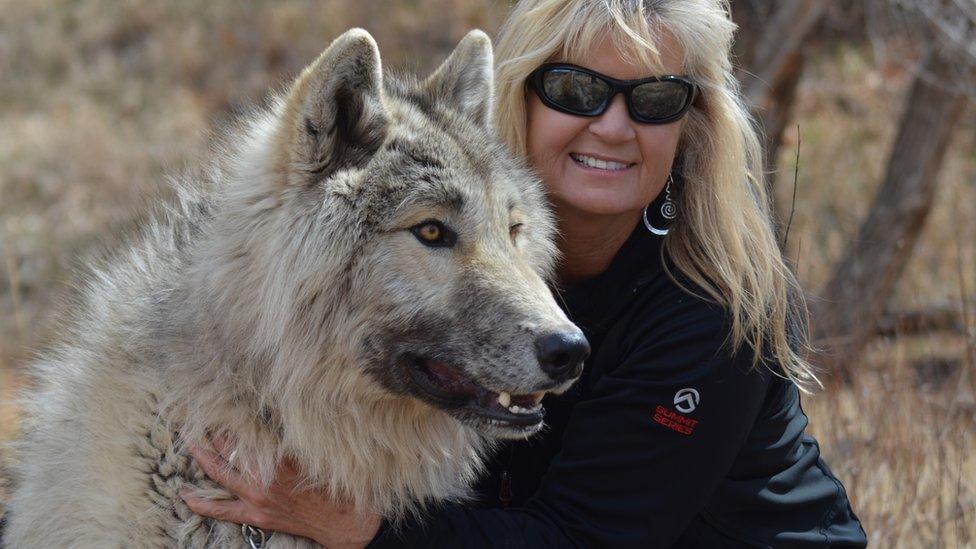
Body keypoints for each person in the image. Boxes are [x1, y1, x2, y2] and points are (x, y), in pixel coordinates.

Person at [182, 0, 868, 547]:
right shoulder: (480, 222)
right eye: (578, 90)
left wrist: (358, 529)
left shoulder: (709, 308)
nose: (613, 126)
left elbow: (584, 539)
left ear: (689, 124)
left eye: (654, 99)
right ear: (524, 97)